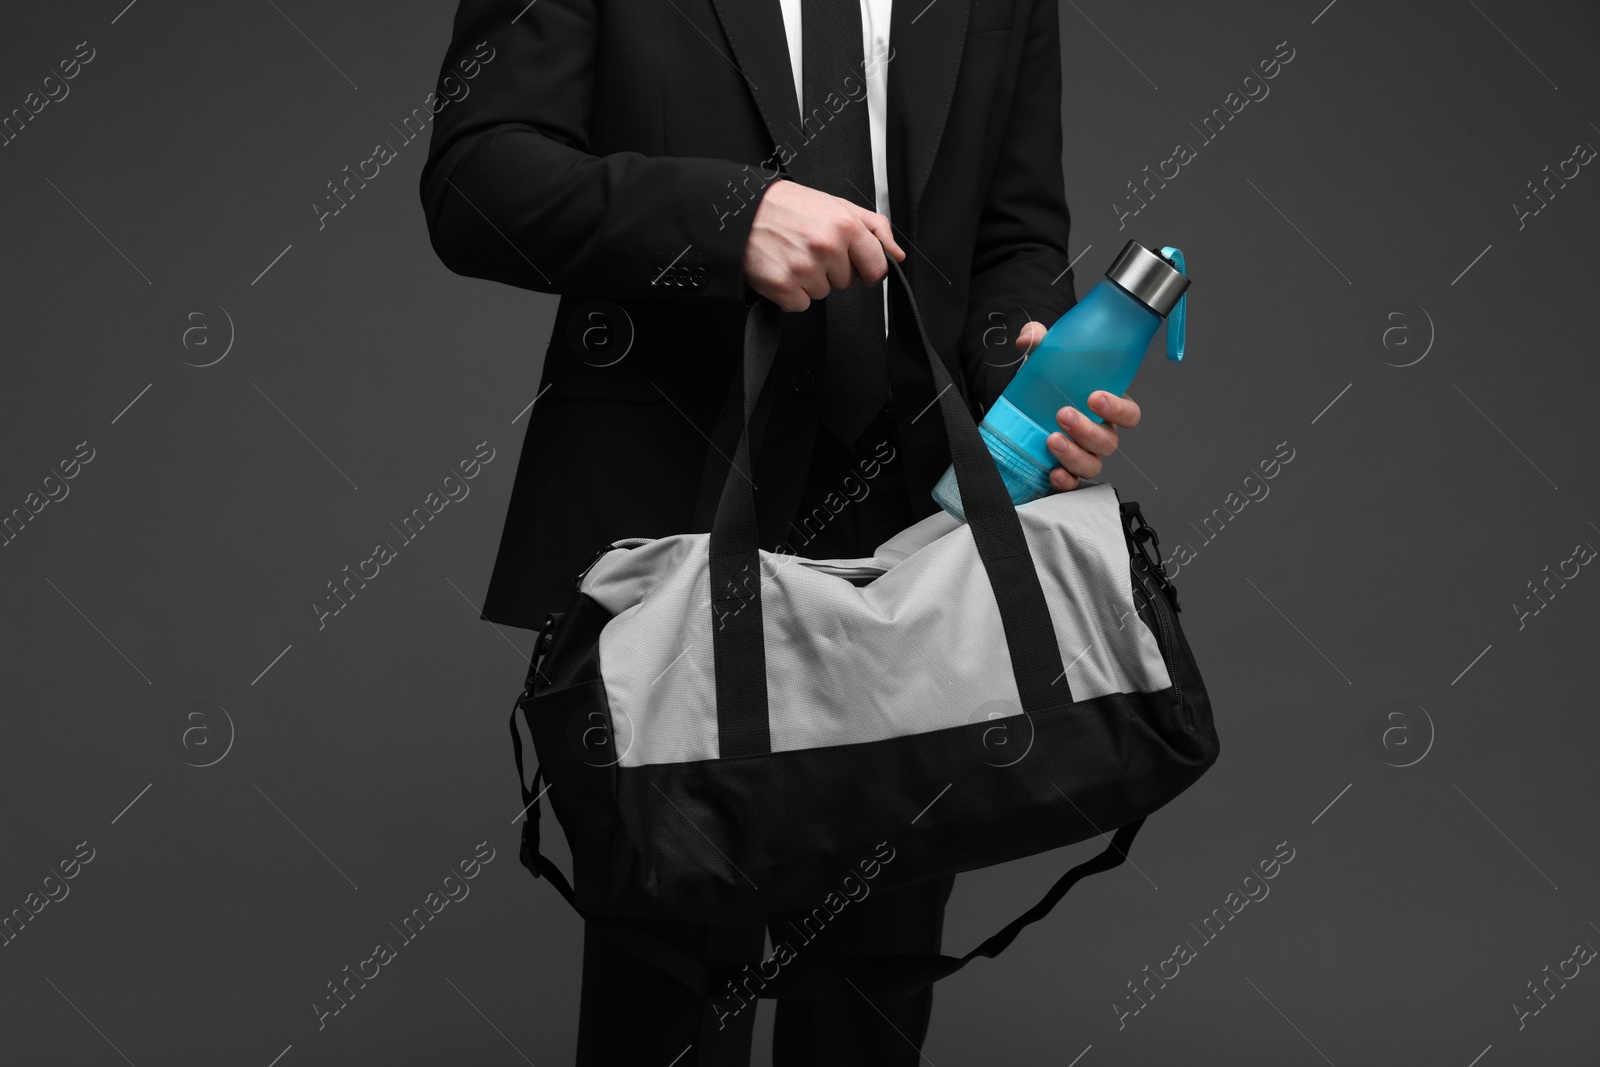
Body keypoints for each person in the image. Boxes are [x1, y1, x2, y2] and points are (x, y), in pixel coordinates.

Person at [419, 0, 1142, 1062]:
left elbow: (1012, 234)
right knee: (662, 1009)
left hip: (916, 551)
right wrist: (730, 216)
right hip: (667, 533)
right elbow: (475, 179)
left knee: (868, 1011)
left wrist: (1025, 380)